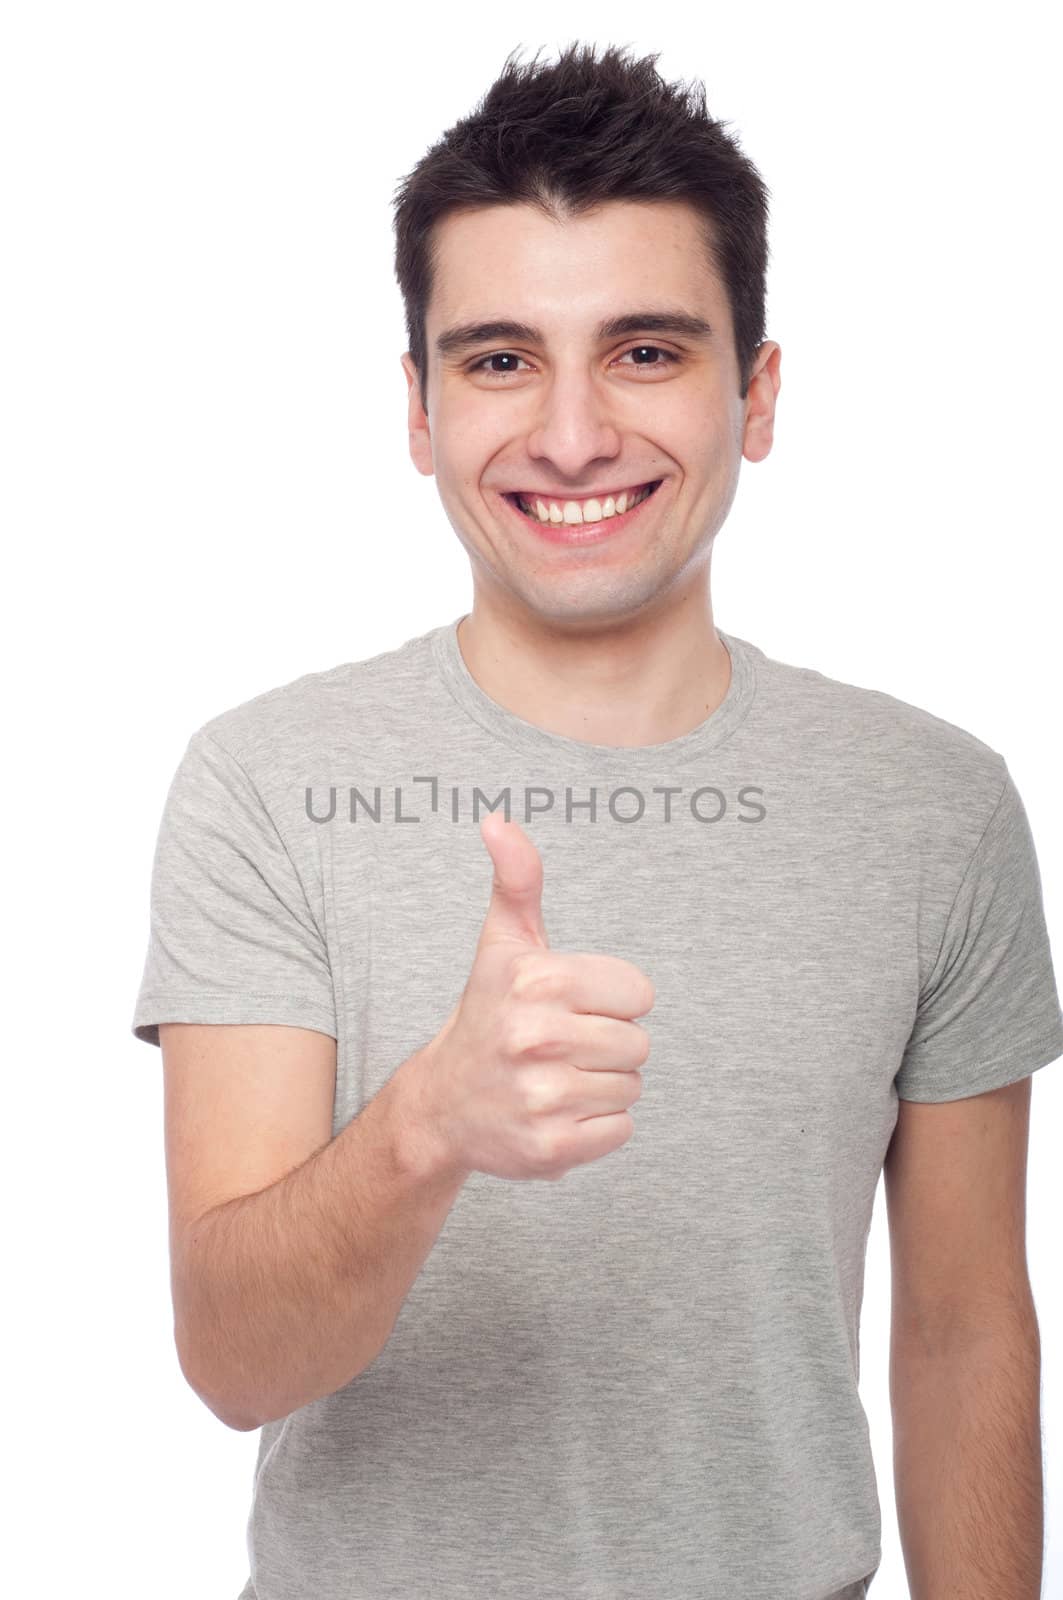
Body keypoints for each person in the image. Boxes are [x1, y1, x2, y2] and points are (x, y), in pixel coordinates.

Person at [130, 41, 1062, 1600]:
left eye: (645, 352)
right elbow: (235, 1363)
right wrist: (429, 1125)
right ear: (417, 410)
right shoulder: (265, 786)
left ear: (756, 395)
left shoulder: (934, 808)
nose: (570, 436)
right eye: (499, 359)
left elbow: (967, 1331)